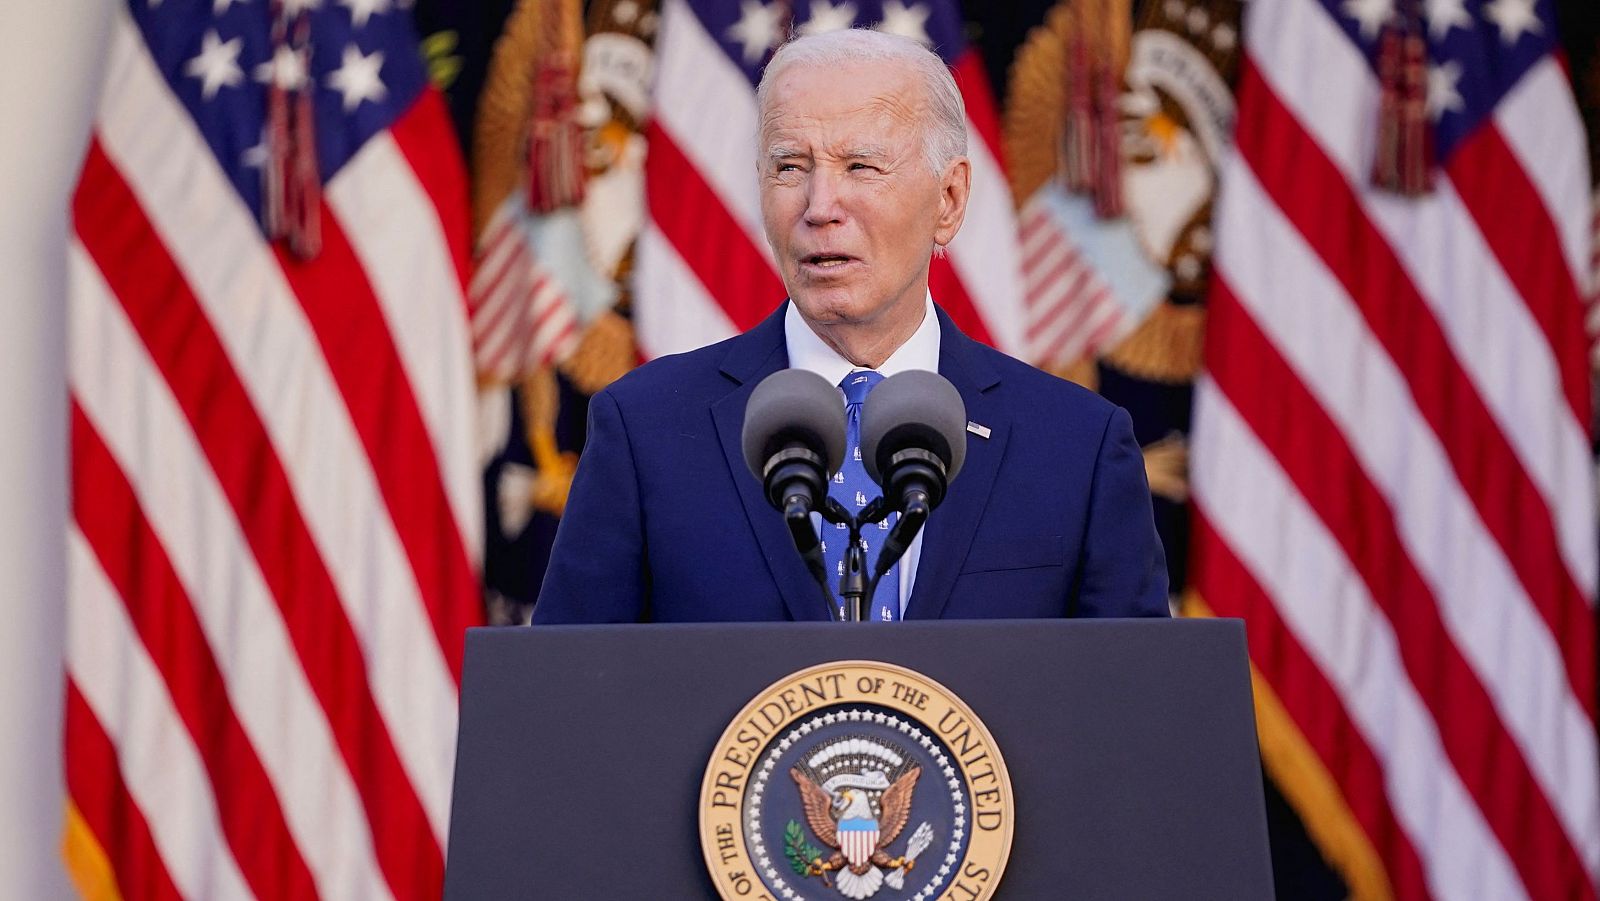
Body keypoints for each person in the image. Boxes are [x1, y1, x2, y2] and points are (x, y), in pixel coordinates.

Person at [532, 28, 1168, 623]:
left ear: (948, 201)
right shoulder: (645, 432)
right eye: (790, 167)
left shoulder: (1076, 448)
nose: (819, 207)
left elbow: (1134, 717)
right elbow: (570, 705)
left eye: (861, 166)